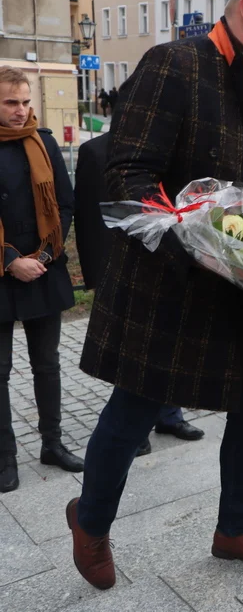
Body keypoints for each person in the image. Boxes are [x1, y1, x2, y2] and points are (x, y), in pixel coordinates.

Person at [65, 0, 243, 590]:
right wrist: (200, 246)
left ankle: (236, 528)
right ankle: (90, 523)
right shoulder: (173, 66)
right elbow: (126, 177)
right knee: (135, 410)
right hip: (169, 287)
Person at [74, 133, 207, 456]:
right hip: (123, 267)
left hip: (167, 263)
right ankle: (136, 426)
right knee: (132, 347)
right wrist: (95, 273)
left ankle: (169, 415)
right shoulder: (94, 150)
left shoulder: (170, 145)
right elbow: (88, 216)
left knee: (170, 341)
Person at [0, 66, 84, 493]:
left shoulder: (44, 142)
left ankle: (52, 443)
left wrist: (47, 254)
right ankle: (4, 459)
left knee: (47, 365)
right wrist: (10, 259)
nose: (21, 111)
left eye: (26, 101)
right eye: (11, 102)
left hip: (43, 268)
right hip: (2, 272)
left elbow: (66, 204)